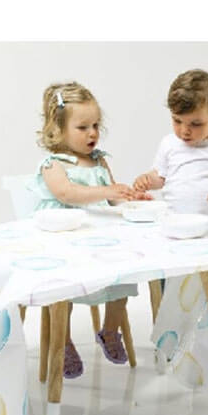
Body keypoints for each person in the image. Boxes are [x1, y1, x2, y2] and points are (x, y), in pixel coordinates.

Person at [28, 81, 143, 378]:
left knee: (123, 274)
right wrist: (106, 190)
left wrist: (129, 197)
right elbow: (67, 194)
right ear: (58, 129)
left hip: (101, 240)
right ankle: (64, 341)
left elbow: (113, 198)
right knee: (63, 288)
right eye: (82, 127)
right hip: (67, 242)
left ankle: (110, 330)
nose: (92, 133)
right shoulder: (54, 164)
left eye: (95, 126)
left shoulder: (99, 160)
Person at [133, 69, 208, 215]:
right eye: (177, 121)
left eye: (195, 124)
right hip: (172, 219)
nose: (184, 131)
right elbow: (160, 177)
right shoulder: (169, 143)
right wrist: (147, 180)